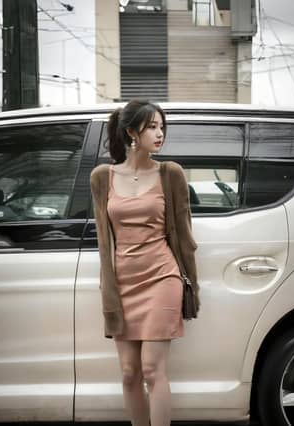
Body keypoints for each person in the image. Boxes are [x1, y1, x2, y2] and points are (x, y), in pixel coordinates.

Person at [90, 99, 200, 426]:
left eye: (162, 127)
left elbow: (184, 235)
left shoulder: (171, 174)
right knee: (128, 374)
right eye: (152, 126)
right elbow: (102, 240)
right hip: (122, 281)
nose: (160, 133)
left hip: (161, 277)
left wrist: (191, 285)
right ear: (131, 132)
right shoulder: (102, 178)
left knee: (153, 370)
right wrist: (107, 288)